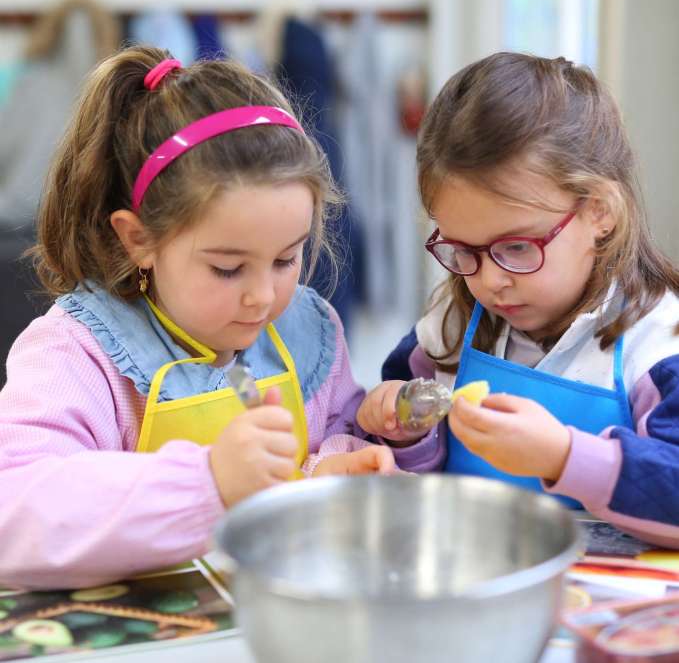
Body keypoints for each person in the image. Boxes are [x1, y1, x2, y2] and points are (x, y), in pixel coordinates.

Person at [0, 46, 440, 590]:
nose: (262, 297)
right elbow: (14, 513)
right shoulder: (77, 352)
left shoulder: (307, 333)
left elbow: (335, 440)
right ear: (138, 238)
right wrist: (209, 483)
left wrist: (337, 473)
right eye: (228, 269)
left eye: (286, 259)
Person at [357, 52, 679, 547]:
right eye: (463, 250)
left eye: (516, 247)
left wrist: (563, 457)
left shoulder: (657, 341)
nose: (488, 282)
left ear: (600, 212)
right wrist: (403, 437)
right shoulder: (448, 329)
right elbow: (408, 481)